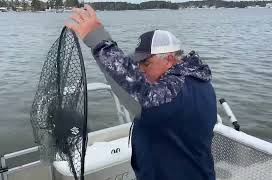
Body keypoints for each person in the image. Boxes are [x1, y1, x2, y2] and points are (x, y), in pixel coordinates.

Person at [67, 5, 217, 180]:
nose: (140, 70)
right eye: (137, 64)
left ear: (169, 59)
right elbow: (128, 79)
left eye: (146, 64)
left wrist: (97, 40)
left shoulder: (174, 94)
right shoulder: (194, 80)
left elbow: (137, 93)